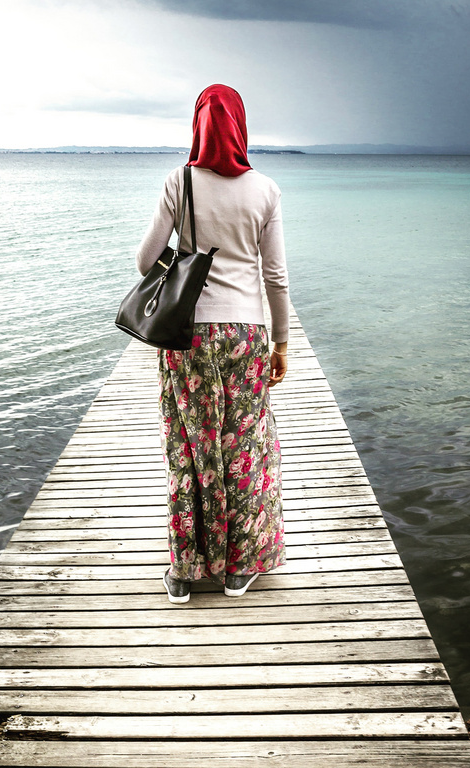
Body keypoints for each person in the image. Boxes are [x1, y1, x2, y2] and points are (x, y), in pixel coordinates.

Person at [136, 84, 290, 603]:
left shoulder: (179, 182)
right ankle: (237, 569)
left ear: (198, 125)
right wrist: (282, 343)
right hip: (247, 335)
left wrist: (185, 259)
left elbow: (145, 262)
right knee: (243, 447)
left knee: (189, 447)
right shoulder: (265, 190)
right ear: (240, 126)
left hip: (187, 337)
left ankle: (184, 571)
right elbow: (276, 278)